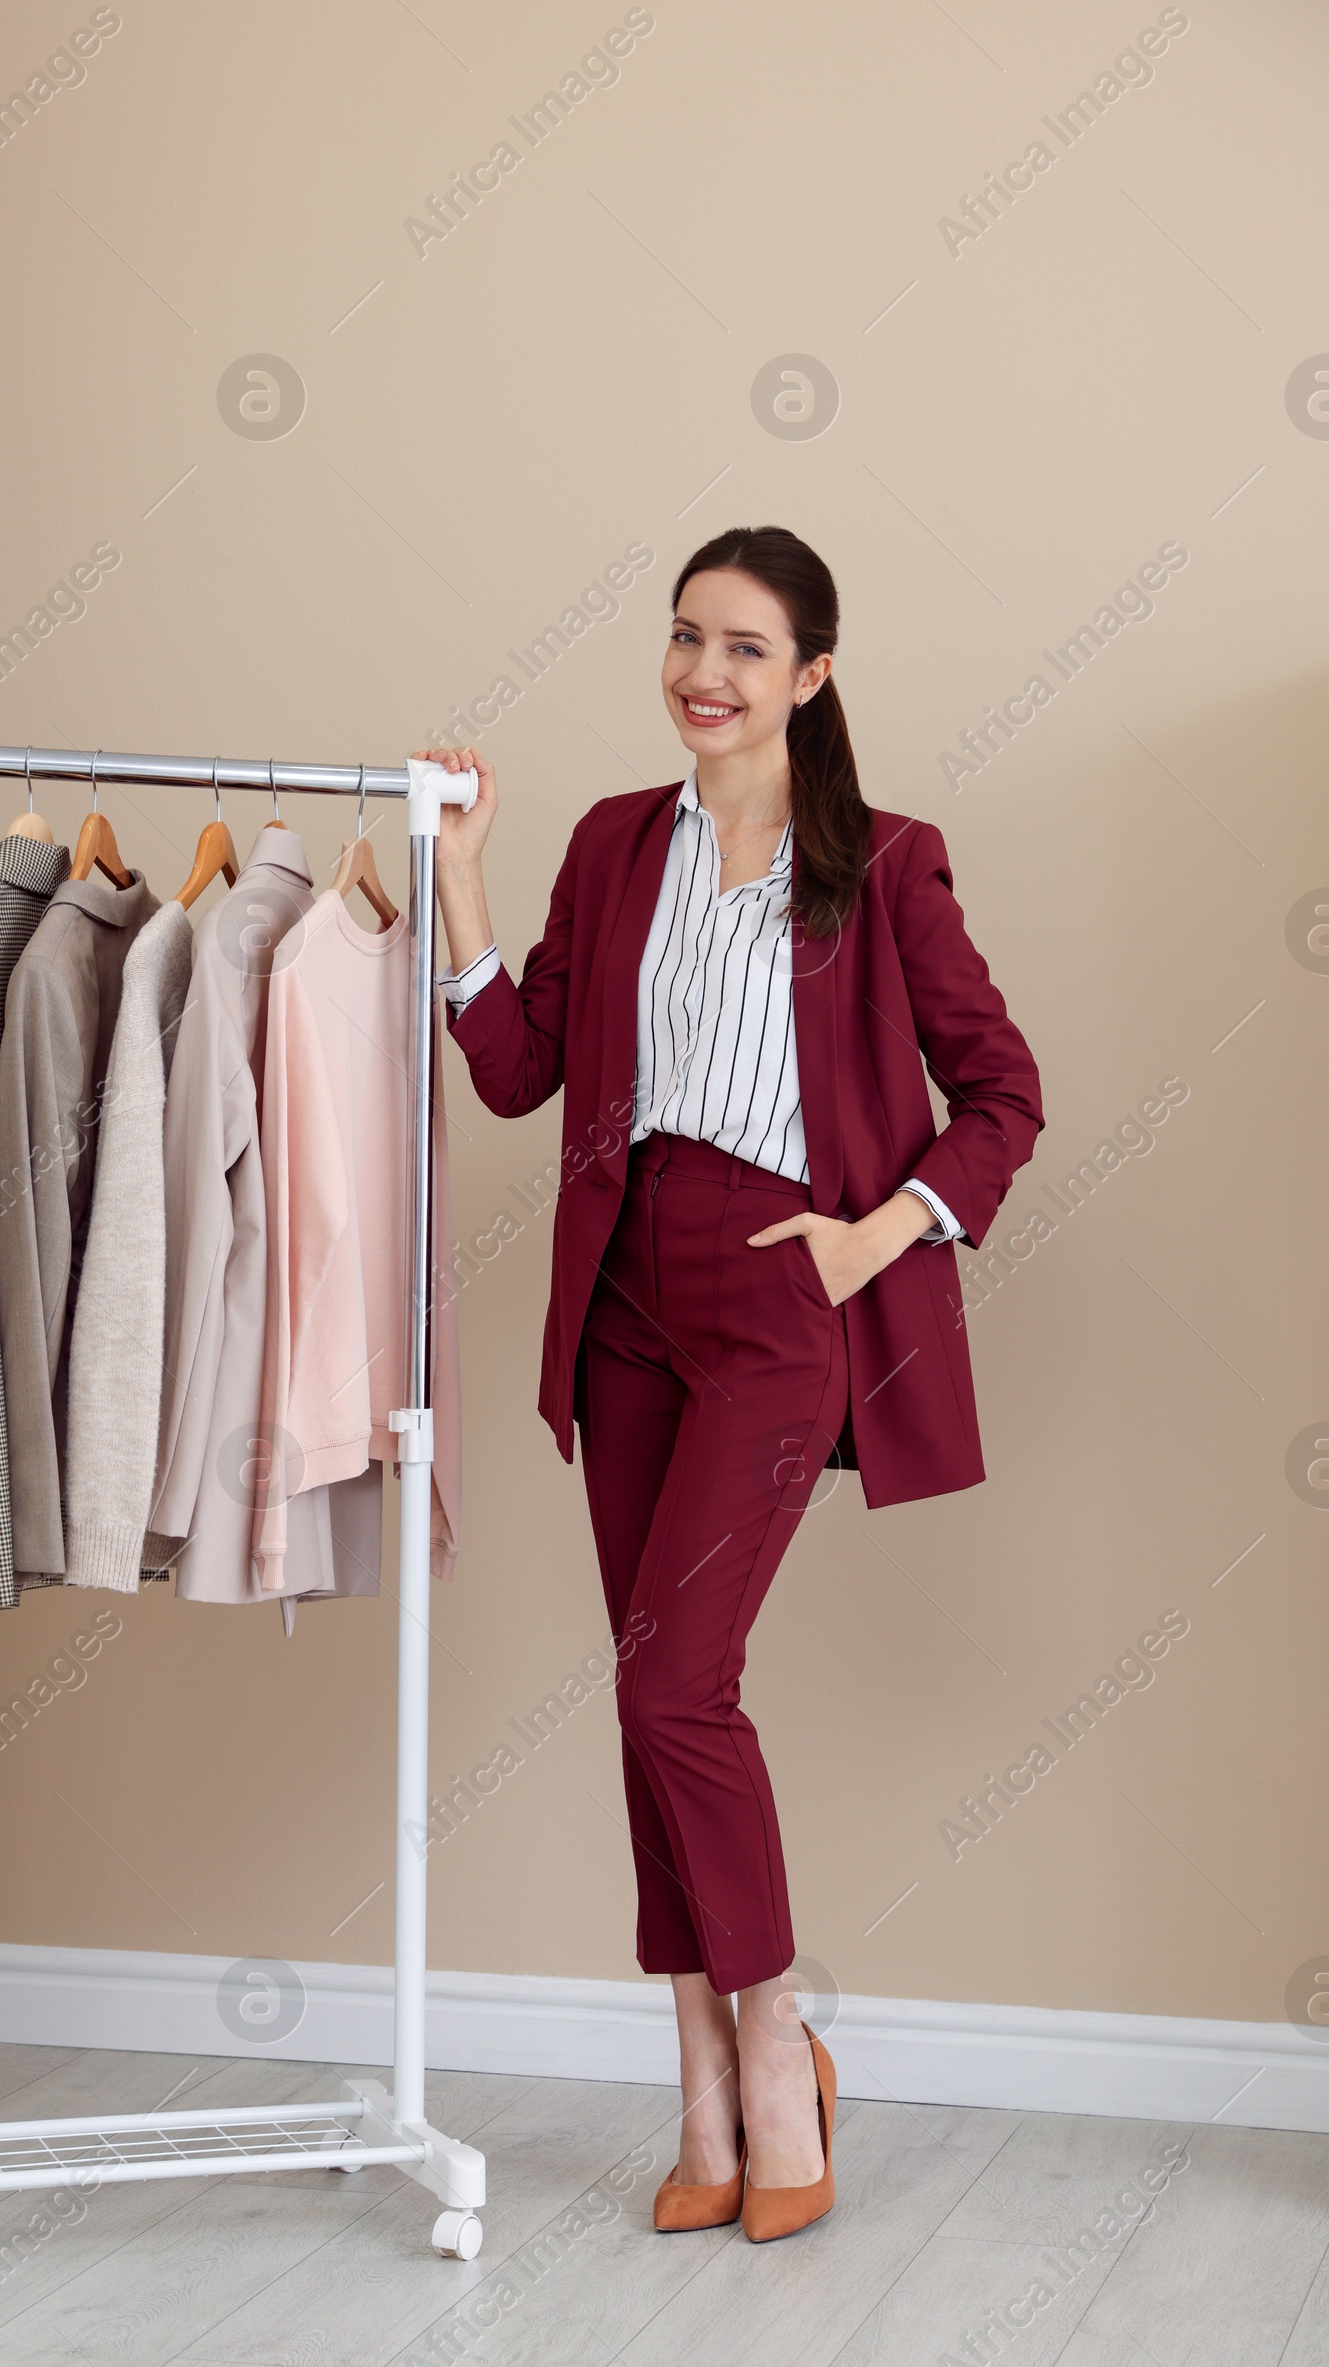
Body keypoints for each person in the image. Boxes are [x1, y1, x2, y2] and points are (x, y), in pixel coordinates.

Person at [421, 524, 1043, 2244]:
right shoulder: (617, 843)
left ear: (815, 674)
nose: (705, 671)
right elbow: (518, 1071)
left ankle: (781, 2052)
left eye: (747, 647)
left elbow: (1005, 1097)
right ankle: (698, 2082)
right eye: (686, 636)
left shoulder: (887, 865)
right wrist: (464, 878)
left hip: (782, 1295)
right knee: (645, 1694)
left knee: (671, 1689)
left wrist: (876, 1241)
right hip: (625, 1297)